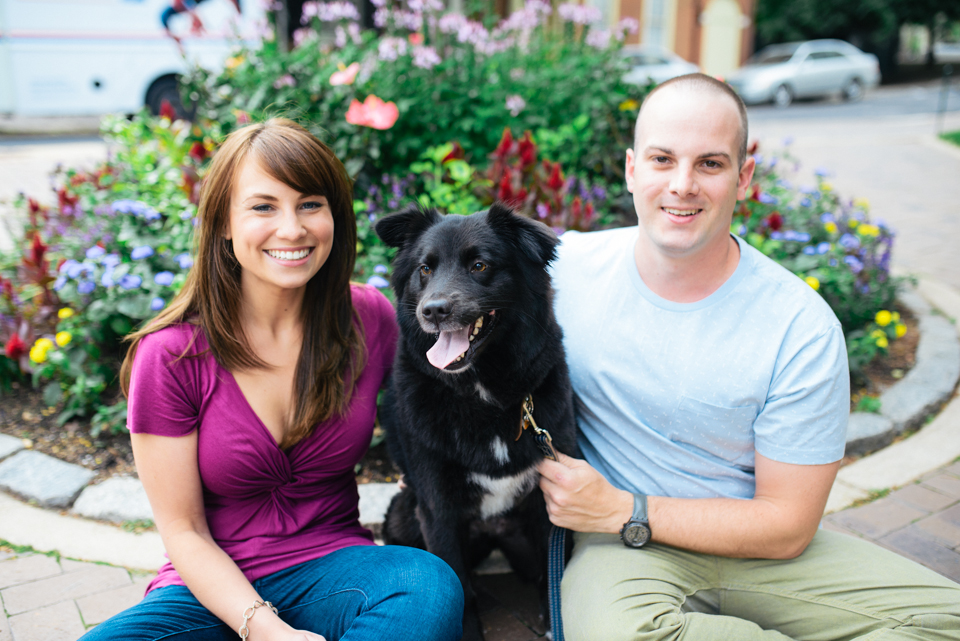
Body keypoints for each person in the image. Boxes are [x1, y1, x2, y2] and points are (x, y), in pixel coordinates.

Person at [538, 74, 960, 640]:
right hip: (629, 554)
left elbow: (786, 527)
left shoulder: (799, 326)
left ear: (744, 177)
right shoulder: (562, 272)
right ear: (632, 169)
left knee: (946, 620)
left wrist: (624, 508)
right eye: (663, 159)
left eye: (710, 164)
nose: (682, 185)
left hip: (748, 542)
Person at [82, 119, 463, 641]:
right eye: (263, 207)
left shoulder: (367, 318)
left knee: (428, 586)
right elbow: (183, 531)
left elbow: (449, 395)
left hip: (340, 576)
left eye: (310, 204)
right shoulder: (170, 355)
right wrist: (265, 630)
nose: (292, 228)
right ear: (223, 222)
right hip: (208, 593)